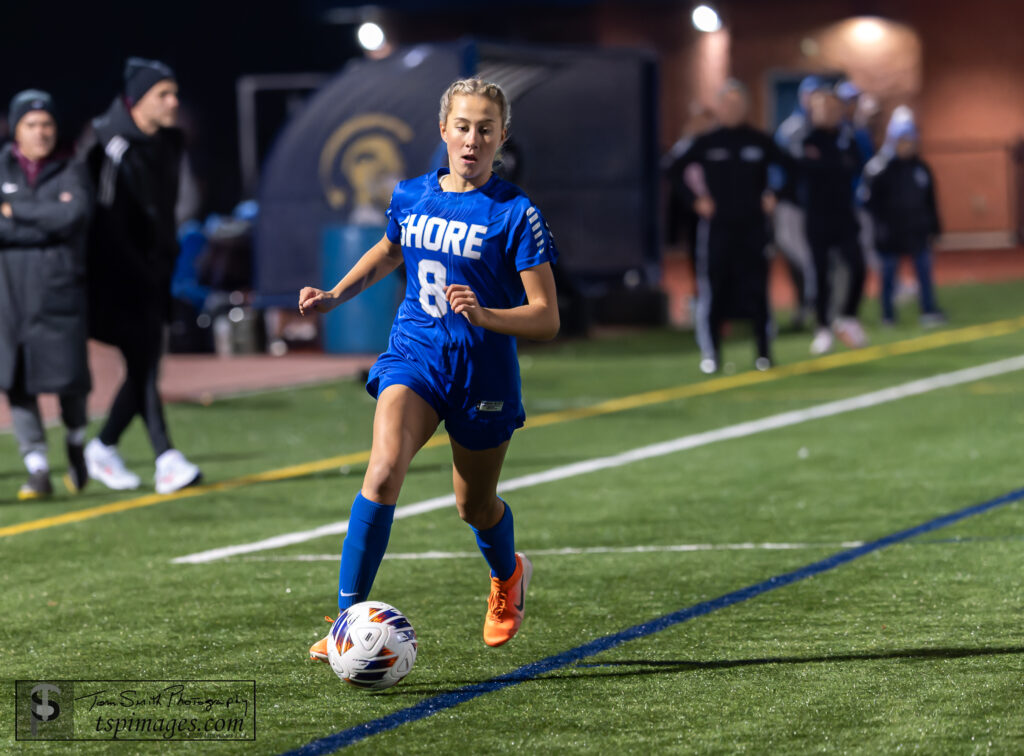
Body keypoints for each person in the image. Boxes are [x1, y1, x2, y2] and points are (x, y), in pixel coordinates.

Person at [300, 78, 558, 655]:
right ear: (444, 129)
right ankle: (346, 623)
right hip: (415, 356)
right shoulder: (411, 195)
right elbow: (391, 249)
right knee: (382, 472)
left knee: (474, 506)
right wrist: (336, 294)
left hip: (483, 374)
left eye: (485, 129)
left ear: (502, 138)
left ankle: (508, 575)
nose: (472, 140)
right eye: (462, 127)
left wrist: (487, 315)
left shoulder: (517, 213)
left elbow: (546, 317)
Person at [78, 58, 201, 494]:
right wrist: (126, 266)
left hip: (155, 269)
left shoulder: (169, 143)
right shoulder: (107, 142)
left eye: (174, 93)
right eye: (162, 94)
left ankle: (105, 446)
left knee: (145, 361)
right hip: (116, 274)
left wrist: (163, 255)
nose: (173, 102)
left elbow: (172, 207)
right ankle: (165, 456)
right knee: (144, 358)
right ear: (136, 100)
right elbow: (102, 217)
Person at [0, 90, 92, 499]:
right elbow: (54, 221)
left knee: (69, 380)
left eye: (47, 124)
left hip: (58, 291)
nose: (41, 132)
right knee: (16, 380)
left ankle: (75, 441)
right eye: (31, 124)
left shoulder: (71, 168)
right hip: (9, 294)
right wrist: (46, 223)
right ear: (16, 128)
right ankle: (36, 467)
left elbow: (72, 217)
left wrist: (15, 211)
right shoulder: (2, 166)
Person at [673, 80, 793, 373]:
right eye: (727, 104)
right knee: (714, 289)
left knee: (758, 290)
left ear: (746, 107)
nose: (733, 109)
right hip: (718, 229)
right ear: (719, 107)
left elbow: (792, 168)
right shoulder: (707, 141)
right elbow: (672, 168)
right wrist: (695, 200)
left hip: (753, 228)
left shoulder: (759, 140)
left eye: (738, 104)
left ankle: (764, 353)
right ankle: (711, 353)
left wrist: (775, 194)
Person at [860, 110, 945, 326]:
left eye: (910, 140)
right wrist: (878, 231)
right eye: (902, 140)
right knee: (888, 276)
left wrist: (935, 228)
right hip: (889, 233)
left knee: (924, 272)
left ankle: (929, 310)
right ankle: (888, 315)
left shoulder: (920, 167)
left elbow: (931, 201)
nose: (907, 145)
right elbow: (868, 205)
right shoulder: (878, 169)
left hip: (917, 230)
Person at [800, 86, 868, 355]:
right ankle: (823, 327)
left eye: (831, 107)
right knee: (820, 273)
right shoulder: (804, 137)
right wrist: (834, 164)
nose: (827, 112)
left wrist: (830, 164)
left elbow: (857, 165)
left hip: (844, 214)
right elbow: (804, 169)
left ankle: (848, 317)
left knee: (858, 265)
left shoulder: (848, 137)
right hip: (816, 216)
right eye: (822, 107)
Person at [773, 75, 822, 330]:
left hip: (817, 205)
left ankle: (815, 307)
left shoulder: (825, 130)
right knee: (797, 256)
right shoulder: (791, 129)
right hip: (792, 204)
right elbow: (779, 168)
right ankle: (805, 305)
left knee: (814, 257)